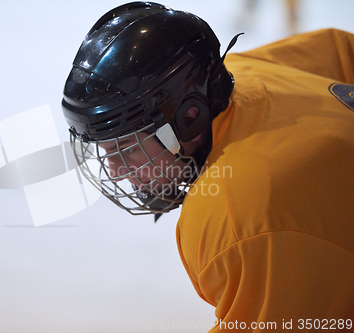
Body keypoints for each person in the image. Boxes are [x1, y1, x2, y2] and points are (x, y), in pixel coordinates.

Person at [61, 2, 354, 331]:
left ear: (189, 116)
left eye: (126, 147)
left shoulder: (235, 215)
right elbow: (342, 48)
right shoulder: (246, 71)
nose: (114, 170)